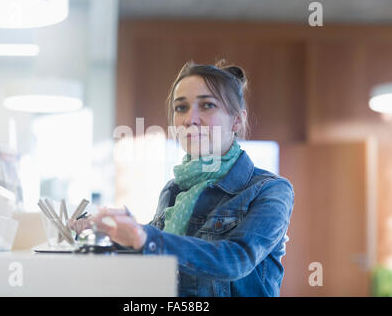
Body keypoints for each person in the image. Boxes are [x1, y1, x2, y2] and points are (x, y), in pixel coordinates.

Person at [69, 60, 295, 297]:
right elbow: (155, 252)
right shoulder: (175, 188)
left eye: (207, 105)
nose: (190, 119)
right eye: (181, 108)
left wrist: (146, 238)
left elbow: (235, 260)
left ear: (237, 120)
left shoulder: (271, 190)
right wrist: (106, 233)